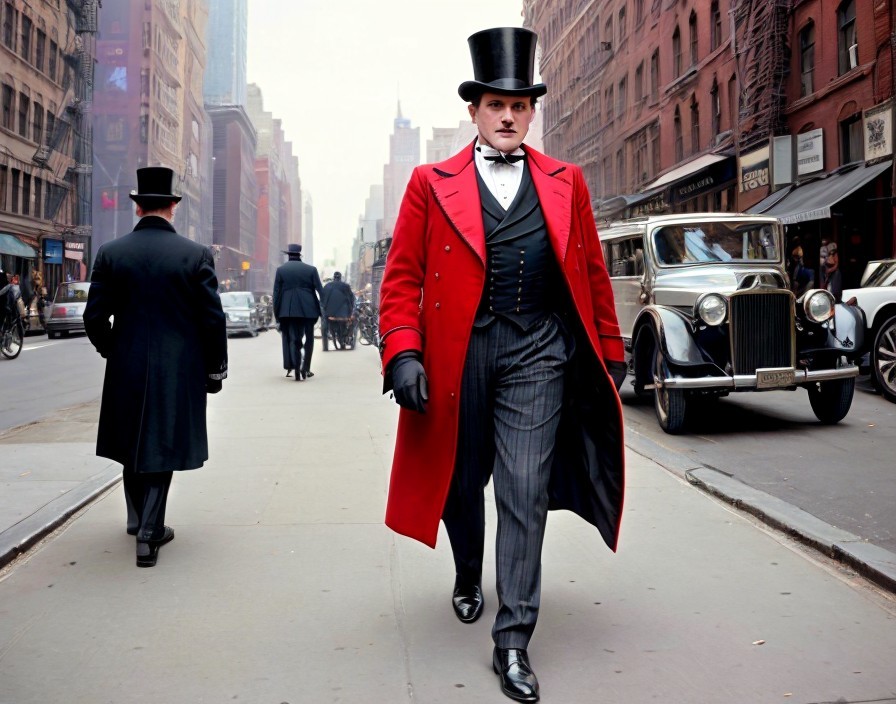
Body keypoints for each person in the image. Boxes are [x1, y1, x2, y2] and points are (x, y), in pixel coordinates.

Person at [378, 27, 626, 703]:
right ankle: (467, 571)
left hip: (539, 351)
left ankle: (512, 639)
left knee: (523, 488)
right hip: (460, 353)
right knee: (462, 481)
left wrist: (610, 350)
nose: (509, 115)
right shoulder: (430, 183)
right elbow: (400, 280)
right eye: (496, 104)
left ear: (532, 110)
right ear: (475, 110)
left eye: (520, 104)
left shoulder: (566, 182)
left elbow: (593, 276)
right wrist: (403, 351)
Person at [83, 166, 228, 568]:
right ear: (173, 207)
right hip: (177, 367)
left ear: (136, 208)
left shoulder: (111, 253)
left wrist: (112, 349)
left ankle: (135, 518)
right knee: (161, 441)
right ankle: (149, 532)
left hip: (126, 363)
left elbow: (94, 318)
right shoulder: (195, 255)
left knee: (133, 438)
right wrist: (214, 369)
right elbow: (212, 320)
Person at [273, 243, 322, 380]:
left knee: (294, 339)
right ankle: (305, 367)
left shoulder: (281, 270)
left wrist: (277, 314)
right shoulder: (311, 270)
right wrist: (324, 310)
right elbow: (320, 290)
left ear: (288, 255)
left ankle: (296, 366)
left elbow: (276, 294)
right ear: (299, 255)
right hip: (309, 309)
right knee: (309, 339)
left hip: (288, 310)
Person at [320, 271, 355, 350]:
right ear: (340, 277)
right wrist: (350, 311)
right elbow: (351, 299)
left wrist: (325, 310)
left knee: (325, 324)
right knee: (345, 325)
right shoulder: (346, 286)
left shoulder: (327, 286)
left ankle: (326, 347)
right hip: (344, 313)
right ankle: (343, 340)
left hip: (330, 313)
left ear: (333, 277)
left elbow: (322, 300)